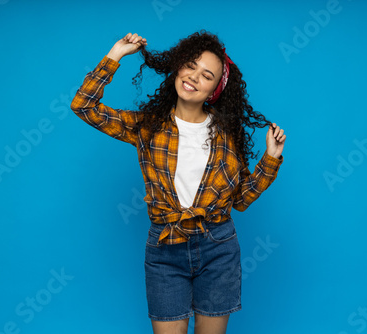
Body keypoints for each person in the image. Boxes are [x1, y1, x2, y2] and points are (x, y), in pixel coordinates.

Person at [70, 30, 286, 334]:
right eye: (191, 65)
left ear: (214, 90)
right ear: (179, 66)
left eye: (207, 75)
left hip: (218, 248)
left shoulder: (226, 136)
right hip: (165, 248)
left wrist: (270, 159)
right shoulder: (148, 127)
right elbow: (84, 106)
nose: (195, 77)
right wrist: (116, 54)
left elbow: (240, 201)